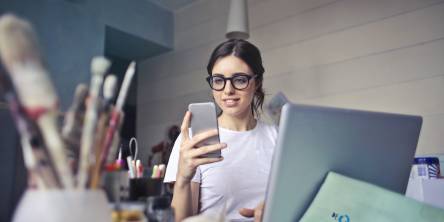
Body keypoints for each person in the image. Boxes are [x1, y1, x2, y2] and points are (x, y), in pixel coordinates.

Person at [164, 39, 278, 222]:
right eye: (218, 80)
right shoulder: (194, 141)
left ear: (257, 82)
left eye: (240, 80)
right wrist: (183, 178)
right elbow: (182, 220)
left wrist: (275, 210)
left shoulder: (278, 137)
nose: (228, 90)